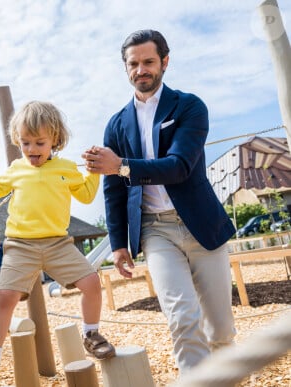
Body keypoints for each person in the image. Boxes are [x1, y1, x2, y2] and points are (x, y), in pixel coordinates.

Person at [83, 29, 236, 374]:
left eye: (148, 61)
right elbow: (114, 190)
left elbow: (180, 166)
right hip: (155, 232)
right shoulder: (117, 124)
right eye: (133, 64)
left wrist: (120, 165)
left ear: (165, 62)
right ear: (126, 68)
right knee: (182, 317)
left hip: (202, 226)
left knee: (222, 331)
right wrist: (118, 244)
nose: (141, 70)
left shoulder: (190, 106)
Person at [0, 101, 115, 387]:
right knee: (3, 299)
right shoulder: (15, 169)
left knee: (91, 284)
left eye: (39, 142)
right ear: (17, 141)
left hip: (58, 243)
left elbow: (85, 195)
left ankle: (91, 334)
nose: (32, 149)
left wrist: (94, 172)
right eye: (25, 143)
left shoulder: (66, 168)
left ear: (55, 140)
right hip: (20, 245)